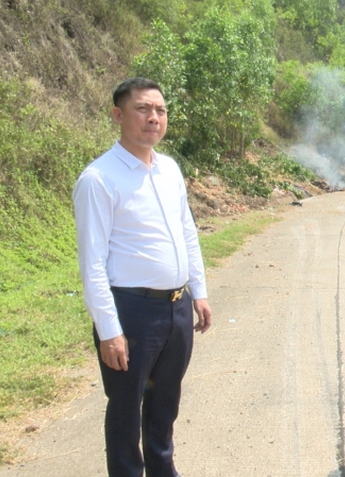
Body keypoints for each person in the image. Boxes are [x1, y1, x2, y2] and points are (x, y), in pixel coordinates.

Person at [73, 77, 213, 477]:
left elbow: (187, 231)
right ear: (119, 115)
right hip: (131, 312)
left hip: (177, 308)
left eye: (161, 110)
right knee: (125, 411)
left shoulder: (169, 169)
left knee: (164, 406)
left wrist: (198, 293)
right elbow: (92, 263)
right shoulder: (99, 179)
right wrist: (109, 330)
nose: (154, 118)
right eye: (143, 109)